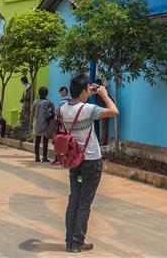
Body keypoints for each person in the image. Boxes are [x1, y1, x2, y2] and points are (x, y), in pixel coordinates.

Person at [60, 74, 118, 253]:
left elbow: (77, 104)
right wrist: (104, 94)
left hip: (74, 160)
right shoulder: (89, 109)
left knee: (74, 200)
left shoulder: (63, 108)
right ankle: (78, 242)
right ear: (84, 91)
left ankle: (70, 241)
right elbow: (114, 111)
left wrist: (87, 93)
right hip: (91, 160)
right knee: (85, 203)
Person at [30, 86, 53, 163]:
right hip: (45, 123)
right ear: (46, 93)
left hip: (37, 123)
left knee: (37, 141)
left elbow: (32, 113)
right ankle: (44, 157)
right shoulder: (48, 102)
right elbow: (51, 113)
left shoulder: (35, 102)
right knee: (45, 141)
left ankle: (37, 157)